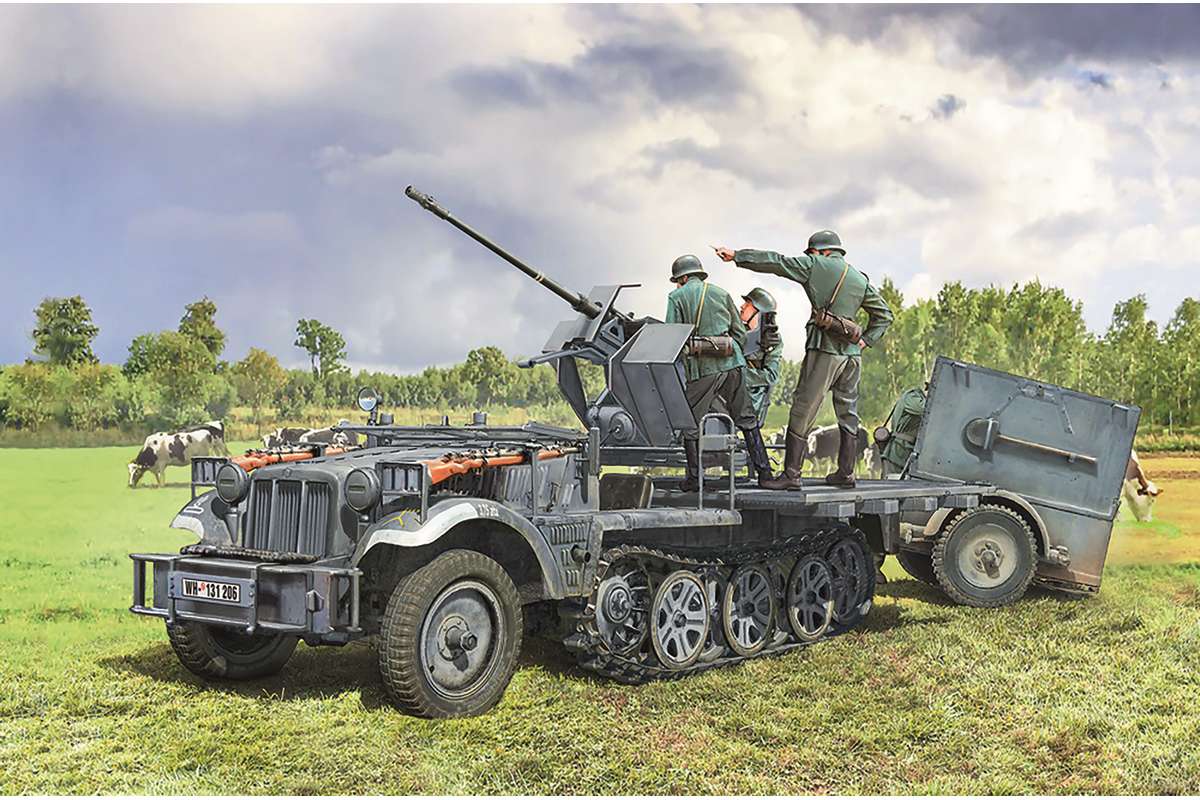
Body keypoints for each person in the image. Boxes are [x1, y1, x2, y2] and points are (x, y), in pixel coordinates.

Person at [714, 230, 893, 490]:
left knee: (803, 408)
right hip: (852, 357)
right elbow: (884, 315)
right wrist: (865, 340)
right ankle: (846, 472)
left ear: (819, 252)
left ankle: (791, 475)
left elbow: (776, 261)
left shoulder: (813, 265)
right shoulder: (857, 277)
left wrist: (737, 256)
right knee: (848, 411)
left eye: (812, 253)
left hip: (825, 350)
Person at [665, 254, 774, 491]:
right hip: (732, 362)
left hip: (702, 368)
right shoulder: (721, 293)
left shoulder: (676, 297)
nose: (676, 284)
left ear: (683, 278)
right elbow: (740, 333)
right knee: (747, 417)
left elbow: (671, 335)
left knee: (690, 422)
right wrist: (727, 350)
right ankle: (765, 474)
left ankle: (695, 478)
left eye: (677, 280)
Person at [739, 287, 784, 429]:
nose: (742, 306)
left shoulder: (773, 341)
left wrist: (737, 375)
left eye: (748, 304)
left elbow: (771, 376)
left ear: (759, 311)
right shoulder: (737, 331)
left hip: (751, 399)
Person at [877, 384, 927, 477]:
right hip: (898, 452)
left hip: (907, 452)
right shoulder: (912, 395)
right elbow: (925, 408)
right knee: (891, 486)